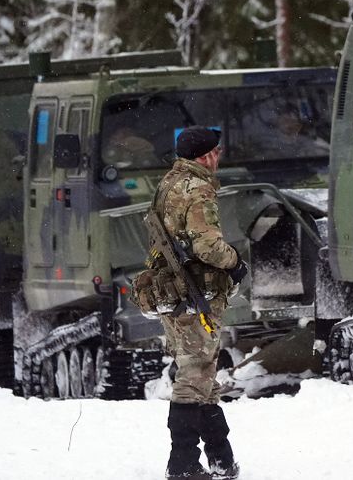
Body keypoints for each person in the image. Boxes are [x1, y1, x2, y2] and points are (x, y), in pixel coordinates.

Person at [151, 126, 249, 480]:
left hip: (175, 293)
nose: (218, 157)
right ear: (206, 155)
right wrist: (236, 262)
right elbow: (206, 245)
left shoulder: (169, 183)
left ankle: (222, 459)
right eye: (216, 152)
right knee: (194, 374)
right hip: (194, 294)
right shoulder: (198, 188)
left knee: (203, 373)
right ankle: (183, 465)